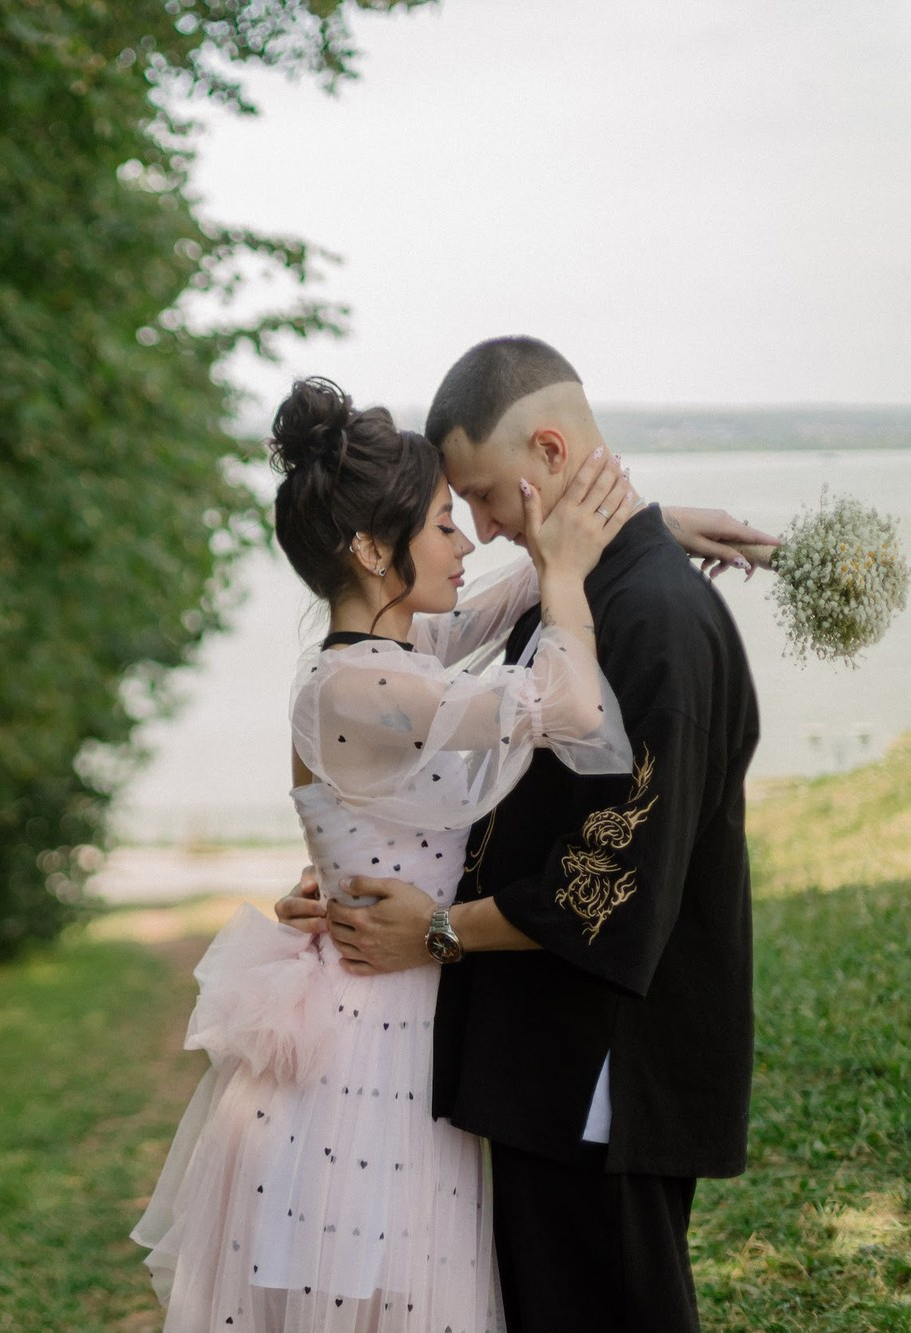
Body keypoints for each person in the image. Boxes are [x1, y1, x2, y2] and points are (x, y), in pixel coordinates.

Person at [133, 375, 643, 1333]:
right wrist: (569, 576)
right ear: (372, 550)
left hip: (401, 1021)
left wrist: (654, 533)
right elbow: (571, 704)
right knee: (379, 1287)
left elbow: (502, 602)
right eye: (445, 524)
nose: (467, 543)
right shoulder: (356, 684)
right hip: (364, 1052)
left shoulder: (394, 658)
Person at [286, 337, 765, 1333]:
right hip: (522, 1054)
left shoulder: (648, 615)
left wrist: (436, 926)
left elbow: (612, 875)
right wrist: (349, 863)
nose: (482, 533)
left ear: (547, 451)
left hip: (602, 1065)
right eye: (450, 514)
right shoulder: (569, 599)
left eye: (480, 499)